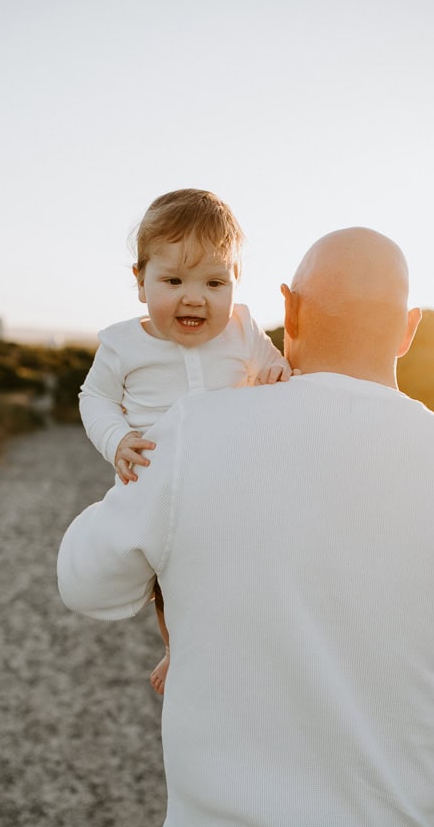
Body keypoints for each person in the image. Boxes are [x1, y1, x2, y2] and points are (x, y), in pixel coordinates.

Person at [57, 227, 434, 827]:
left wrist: (157, 503)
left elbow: (86, 582)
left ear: (287, 312)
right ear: (408, 329)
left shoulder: (198, 431)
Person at [78, 189, 291, 693]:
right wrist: (118, 439)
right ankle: (178, 648)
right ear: (140, 282)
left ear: (235, 285)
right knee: (168, 580)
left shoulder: (241, 330)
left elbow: (272, 366)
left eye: (215, 282)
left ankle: (253, 640)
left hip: (233, 482)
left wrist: (278, 373)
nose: (194, 297)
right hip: (158, 487)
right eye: (173, 280)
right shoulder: (123, 344)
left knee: (242, 567)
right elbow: (95, 398)